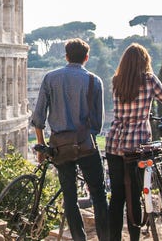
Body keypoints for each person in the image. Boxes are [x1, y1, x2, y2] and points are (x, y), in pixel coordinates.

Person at [105, 43, 162, 241]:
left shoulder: (116, 80)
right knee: (134, 195)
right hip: (137, 146)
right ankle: (134, 238)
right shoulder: (149, 80)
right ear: (144, 61)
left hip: (114, 143)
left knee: (117, 196)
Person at [30, 38, 109, 241]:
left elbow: (38, 118)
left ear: (66, 56)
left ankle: (78, 238)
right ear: (86, 58)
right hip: (86, 145)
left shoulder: (50, 78)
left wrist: (42, 148)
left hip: (60, 146)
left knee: (70, 197)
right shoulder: (95, 81)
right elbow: (97, 124)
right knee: (99, 195)